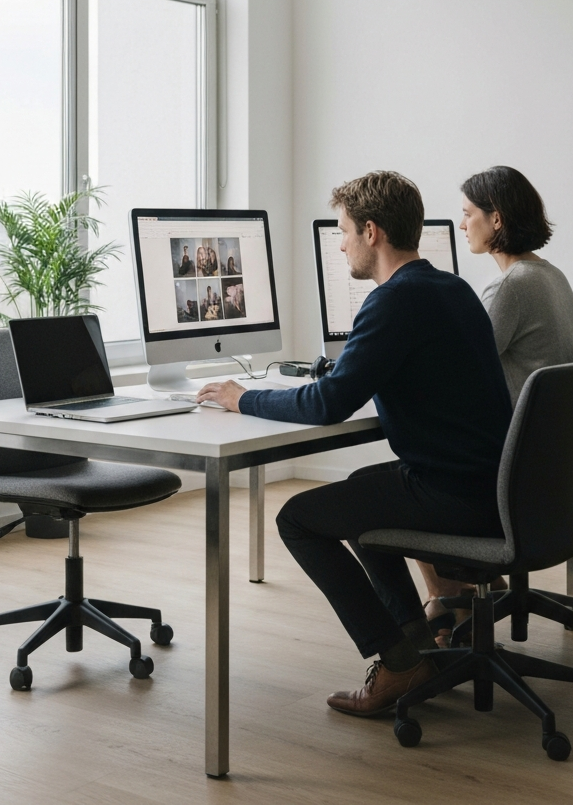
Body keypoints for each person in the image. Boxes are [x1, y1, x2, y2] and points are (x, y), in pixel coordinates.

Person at [197, 171, 512, 717]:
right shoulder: (450, 288)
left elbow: (325, 405)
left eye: (343, 231)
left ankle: (397, 659)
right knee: (363, 492)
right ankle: (413, 645)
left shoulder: (393, 301)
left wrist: (241, 398)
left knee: (297, 518)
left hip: (456, 495)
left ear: (371, 232)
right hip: (492, 485)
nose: (339, 243)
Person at [420, 166, 573, 642]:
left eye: (468, 214)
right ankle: (473, 597)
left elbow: (464, 373)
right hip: (553, 466)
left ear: (496, 219)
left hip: (516, 470)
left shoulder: (511, 287)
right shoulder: (550, 276)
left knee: (417, 477)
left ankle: (451, 611)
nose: (462, 223)